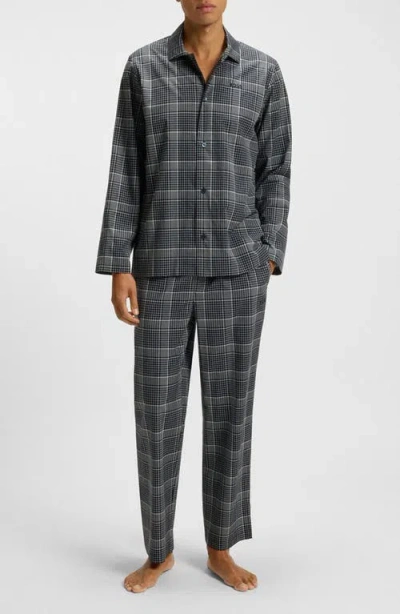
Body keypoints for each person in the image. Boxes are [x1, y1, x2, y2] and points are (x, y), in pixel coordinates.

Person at [95, 0, 292, 594]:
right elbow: (126, 167)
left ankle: (221, 546)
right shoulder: (143, 68)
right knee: (156, 414)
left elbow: (276, 169)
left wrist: (269, 250)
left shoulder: (262, 72)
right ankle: (158, 551)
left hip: (237, 270)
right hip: (160, 268)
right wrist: (118, 263)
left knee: (231, 412)